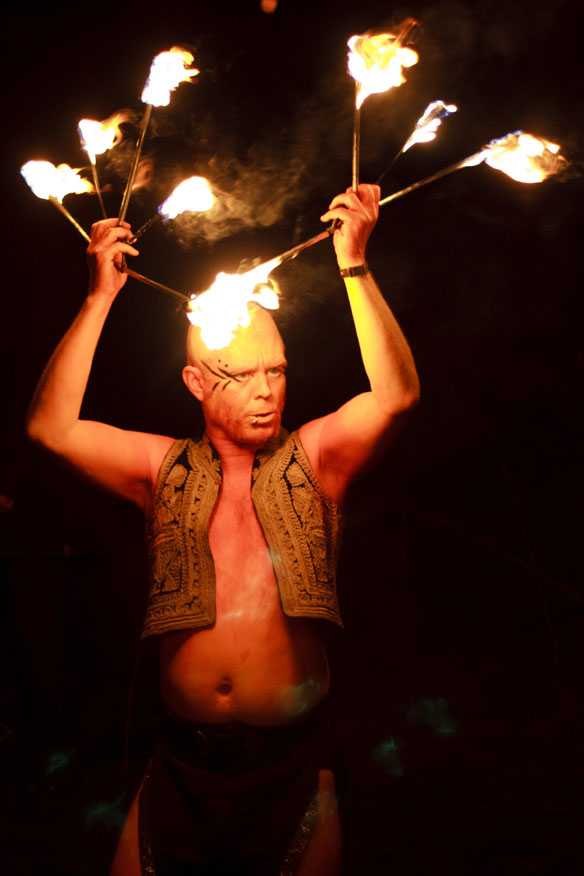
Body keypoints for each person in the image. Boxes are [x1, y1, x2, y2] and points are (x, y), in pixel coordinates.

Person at [26, 183, 419, 875]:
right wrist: (99, 299)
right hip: (180, 761)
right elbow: (49, 429)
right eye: (241, 375)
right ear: (196, 382)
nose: (266, 390)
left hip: (294, 764)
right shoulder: (158, 467)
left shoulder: (317, 457)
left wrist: (354, 264)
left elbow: (396, 396)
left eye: (277, 372)